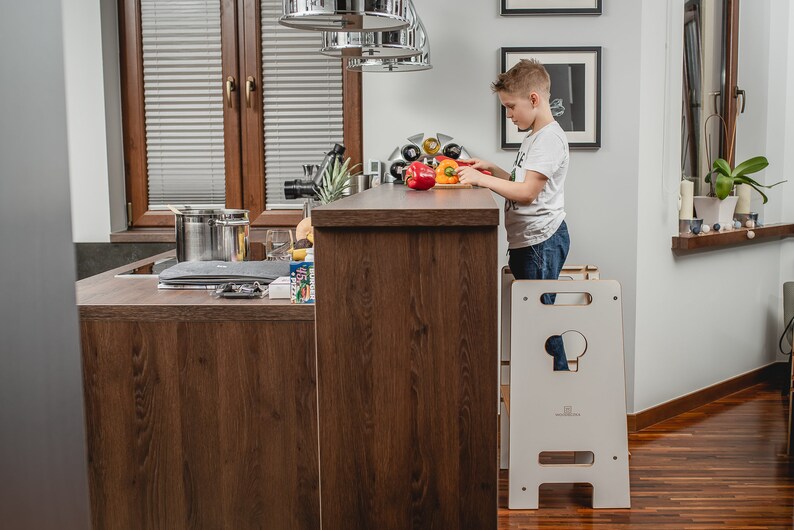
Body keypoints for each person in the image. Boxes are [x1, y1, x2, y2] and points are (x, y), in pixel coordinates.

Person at [457, 58, 570, 371]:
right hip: (530, 242)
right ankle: (543, 385)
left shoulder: (548, 138)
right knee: (535, 319)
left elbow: (528, 193)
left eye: (510, 106)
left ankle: (558, 385)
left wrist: (482, 180)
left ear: (533, 99)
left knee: (541, 322)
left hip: (540, 242)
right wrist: (491, 169)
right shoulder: (535, 136)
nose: (508, 115)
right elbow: (519, 183)